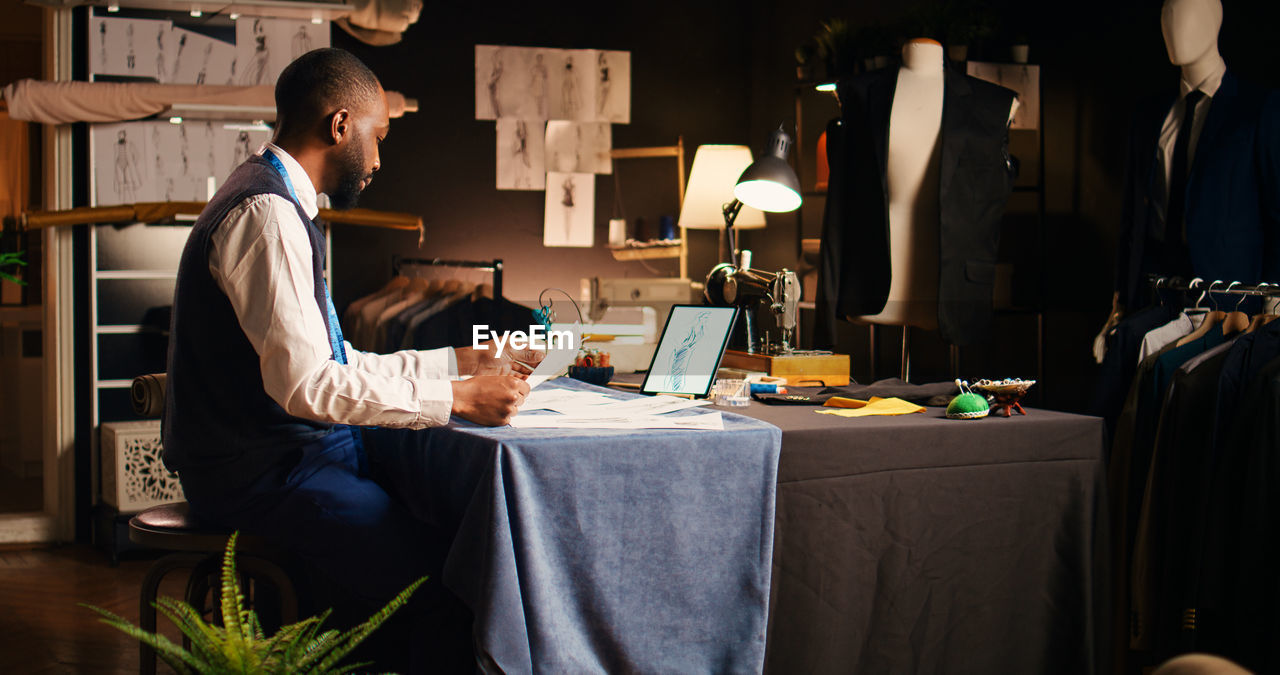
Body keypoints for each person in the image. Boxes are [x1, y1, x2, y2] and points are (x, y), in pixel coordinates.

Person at [162, 48, 540, 671]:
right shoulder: (268, 216)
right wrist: (457, 399)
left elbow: (333, 359)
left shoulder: (272, 201)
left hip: (276, 463)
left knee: (442, 534)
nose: (379, 158)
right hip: (261, 477)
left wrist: (455, 364)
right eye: (378, 136)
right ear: (340, 126)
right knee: (451, 585)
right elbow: (307, 386)